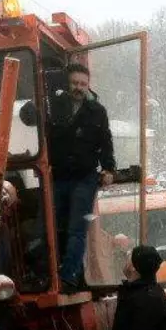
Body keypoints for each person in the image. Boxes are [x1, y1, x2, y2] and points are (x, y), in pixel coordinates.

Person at [48, 63, 116, 289]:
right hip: (57, 175)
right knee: (54, 225)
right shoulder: (53, 106)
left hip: (85, 177)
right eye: (74, 83)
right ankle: (52, 271)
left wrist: (108, 169)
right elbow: (35, 121)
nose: (78, 88)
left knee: (77, 228)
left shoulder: (97, 111)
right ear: (67, 84)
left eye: (83, 84)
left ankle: (68, 276)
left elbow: (106, 142)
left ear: (88, 86)